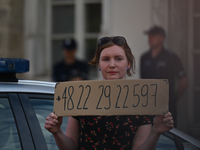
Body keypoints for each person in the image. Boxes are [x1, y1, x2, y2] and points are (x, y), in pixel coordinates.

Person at [45, 36, 174, 150]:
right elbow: (71, 147)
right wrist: (58, 133)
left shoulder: (141, 100)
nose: (112, 64)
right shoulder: (81, 95)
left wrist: (156, 132)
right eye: (106, 59)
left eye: (118, 59)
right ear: (99, 65)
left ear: (128, 64)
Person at [140, 26, 189, 127]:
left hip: (166, 107)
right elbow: (143, 82)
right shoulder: (144, 58)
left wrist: (173, 98)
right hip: (148, 107)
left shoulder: (171, 57)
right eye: (149, 36)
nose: (150, 38)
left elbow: (184, 81)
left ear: (162, 38)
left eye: (153, 35)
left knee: (168, 137)